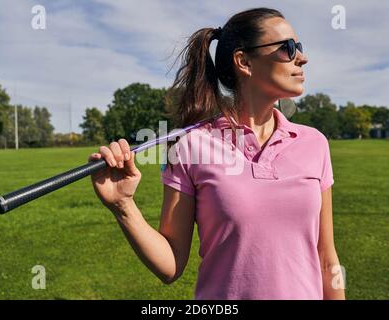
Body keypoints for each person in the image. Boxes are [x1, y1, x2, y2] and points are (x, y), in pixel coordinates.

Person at [88, 7, 345, 300]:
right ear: (244, 62)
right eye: (287, 48)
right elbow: (171, 264)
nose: (302, 57)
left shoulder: (315, 143)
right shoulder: (190, 147)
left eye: (299, 47)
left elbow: (326, 257)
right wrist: (123, 205)